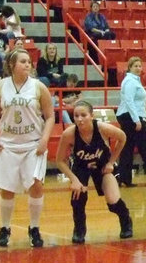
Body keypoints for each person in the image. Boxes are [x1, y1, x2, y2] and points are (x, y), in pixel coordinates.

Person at [0, 49, 55, 248]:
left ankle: (34, 228)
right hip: (8, 144)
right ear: (12, 65)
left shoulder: (39, 87)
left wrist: (45, 139)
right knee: (7, 189)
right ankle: (5, 228)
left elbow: (50, 116)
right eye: (23, 61)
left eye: (29, 62)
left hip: (33, 144)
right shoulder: (0, 87)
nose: (28, 65)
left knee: (36, 186)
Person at [55, 100, 134, 243]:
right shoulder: (69, 134)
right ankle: (79, 229)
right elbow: (59, 160)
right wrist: (74, 179)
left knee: (113, 201)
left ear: (91, 116)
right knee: (78, 198)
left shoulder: (102, 128)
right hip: (81, 168)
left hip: (102, 166)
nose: (79, 119)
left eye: (83, 115)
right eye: (76, 116)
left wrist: (111, 162)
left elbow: (123, 138)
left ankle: (126, 220)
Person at [115, 57, 146, 188]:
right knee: (144, 148)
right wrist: (137, 120)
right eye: (135, 66)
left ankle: (125, 178)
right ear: (129, 67)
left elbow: (138, 103)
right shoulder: (130, 81)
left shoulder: (134, 81)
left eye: (139, 66)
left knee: (129, 148)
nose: (138, 68)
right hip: (131, 117)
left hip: (131, 116)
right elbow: (129, 101)